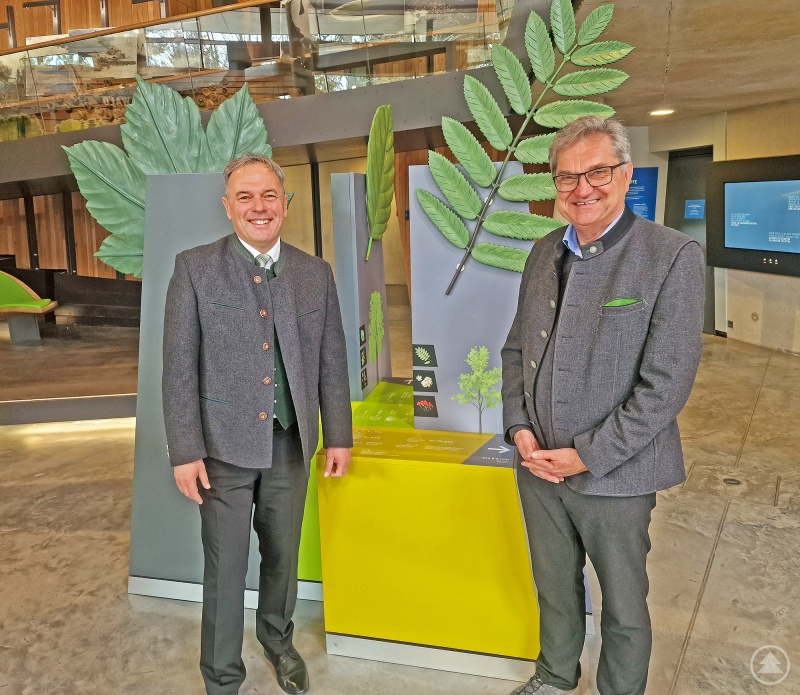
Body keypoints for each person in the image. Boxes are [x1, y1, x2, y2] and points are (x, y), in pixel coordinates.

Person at [501, 117, 705, 695]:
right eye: (567, 177)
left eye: (597, 172)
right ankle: (555, 676)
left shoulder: (670, 256)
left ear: (625, 175)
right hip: (537, 466)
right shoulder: (543, 252)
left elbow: (665, 384)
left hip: (616, 473)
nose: (582, 188)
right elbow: (517, 348)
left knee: (622, 602)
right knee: (553, 584)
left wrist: (586, 455)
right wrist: (519, 428)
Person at [162, 154, 353, 695]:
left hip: (291, 446)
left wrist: (337, 433)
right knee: (225, 569)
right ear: (227, 207)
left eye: (269, 195)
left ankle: (278, 639)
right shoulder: (194, 267)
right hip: (221, 450)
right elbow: (178, 366)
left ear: (285, 203)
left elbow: (331, 361)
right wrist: (184, 449)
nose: (258, 207)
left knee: (283, 556)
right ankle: (222, 677)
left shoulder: (315, 274)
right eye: (245, 197)